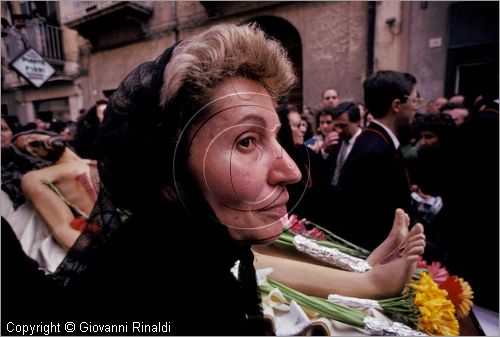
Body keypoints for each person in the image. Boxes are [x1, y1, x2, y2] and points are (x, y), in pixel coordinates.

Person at [2, 24, 425, 334]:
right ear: (168, 173)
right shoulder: (157, 296)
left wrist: (364, 275)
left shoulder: (188, 259)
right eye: (245, 142)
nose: (291, 170)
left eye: (275, 137)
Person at [335, 71, 418, 250]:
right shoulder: (374, 151)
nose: (416, 107)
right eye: (414, 100)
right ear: (396, 105)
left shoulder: (376, 141)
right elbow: (376, 222)